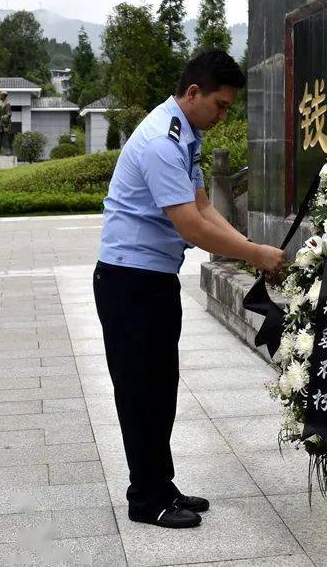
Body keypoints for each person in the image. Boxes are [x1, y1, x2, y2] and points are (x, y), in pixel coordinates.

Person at [92, 49, 285, 529]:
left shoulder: (184, 134)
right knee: (140, 392)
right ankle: (146, 499)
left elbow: (201, 203)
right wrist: (254, 254)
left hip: (151, 281)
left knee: (161, 389)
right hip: (128, 282)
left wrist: (246, 244)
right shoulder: (161, 139)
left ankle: (162, 484)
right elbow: (190, 228)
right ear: (193, 92)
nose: (223, 116)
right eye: (220, 105)